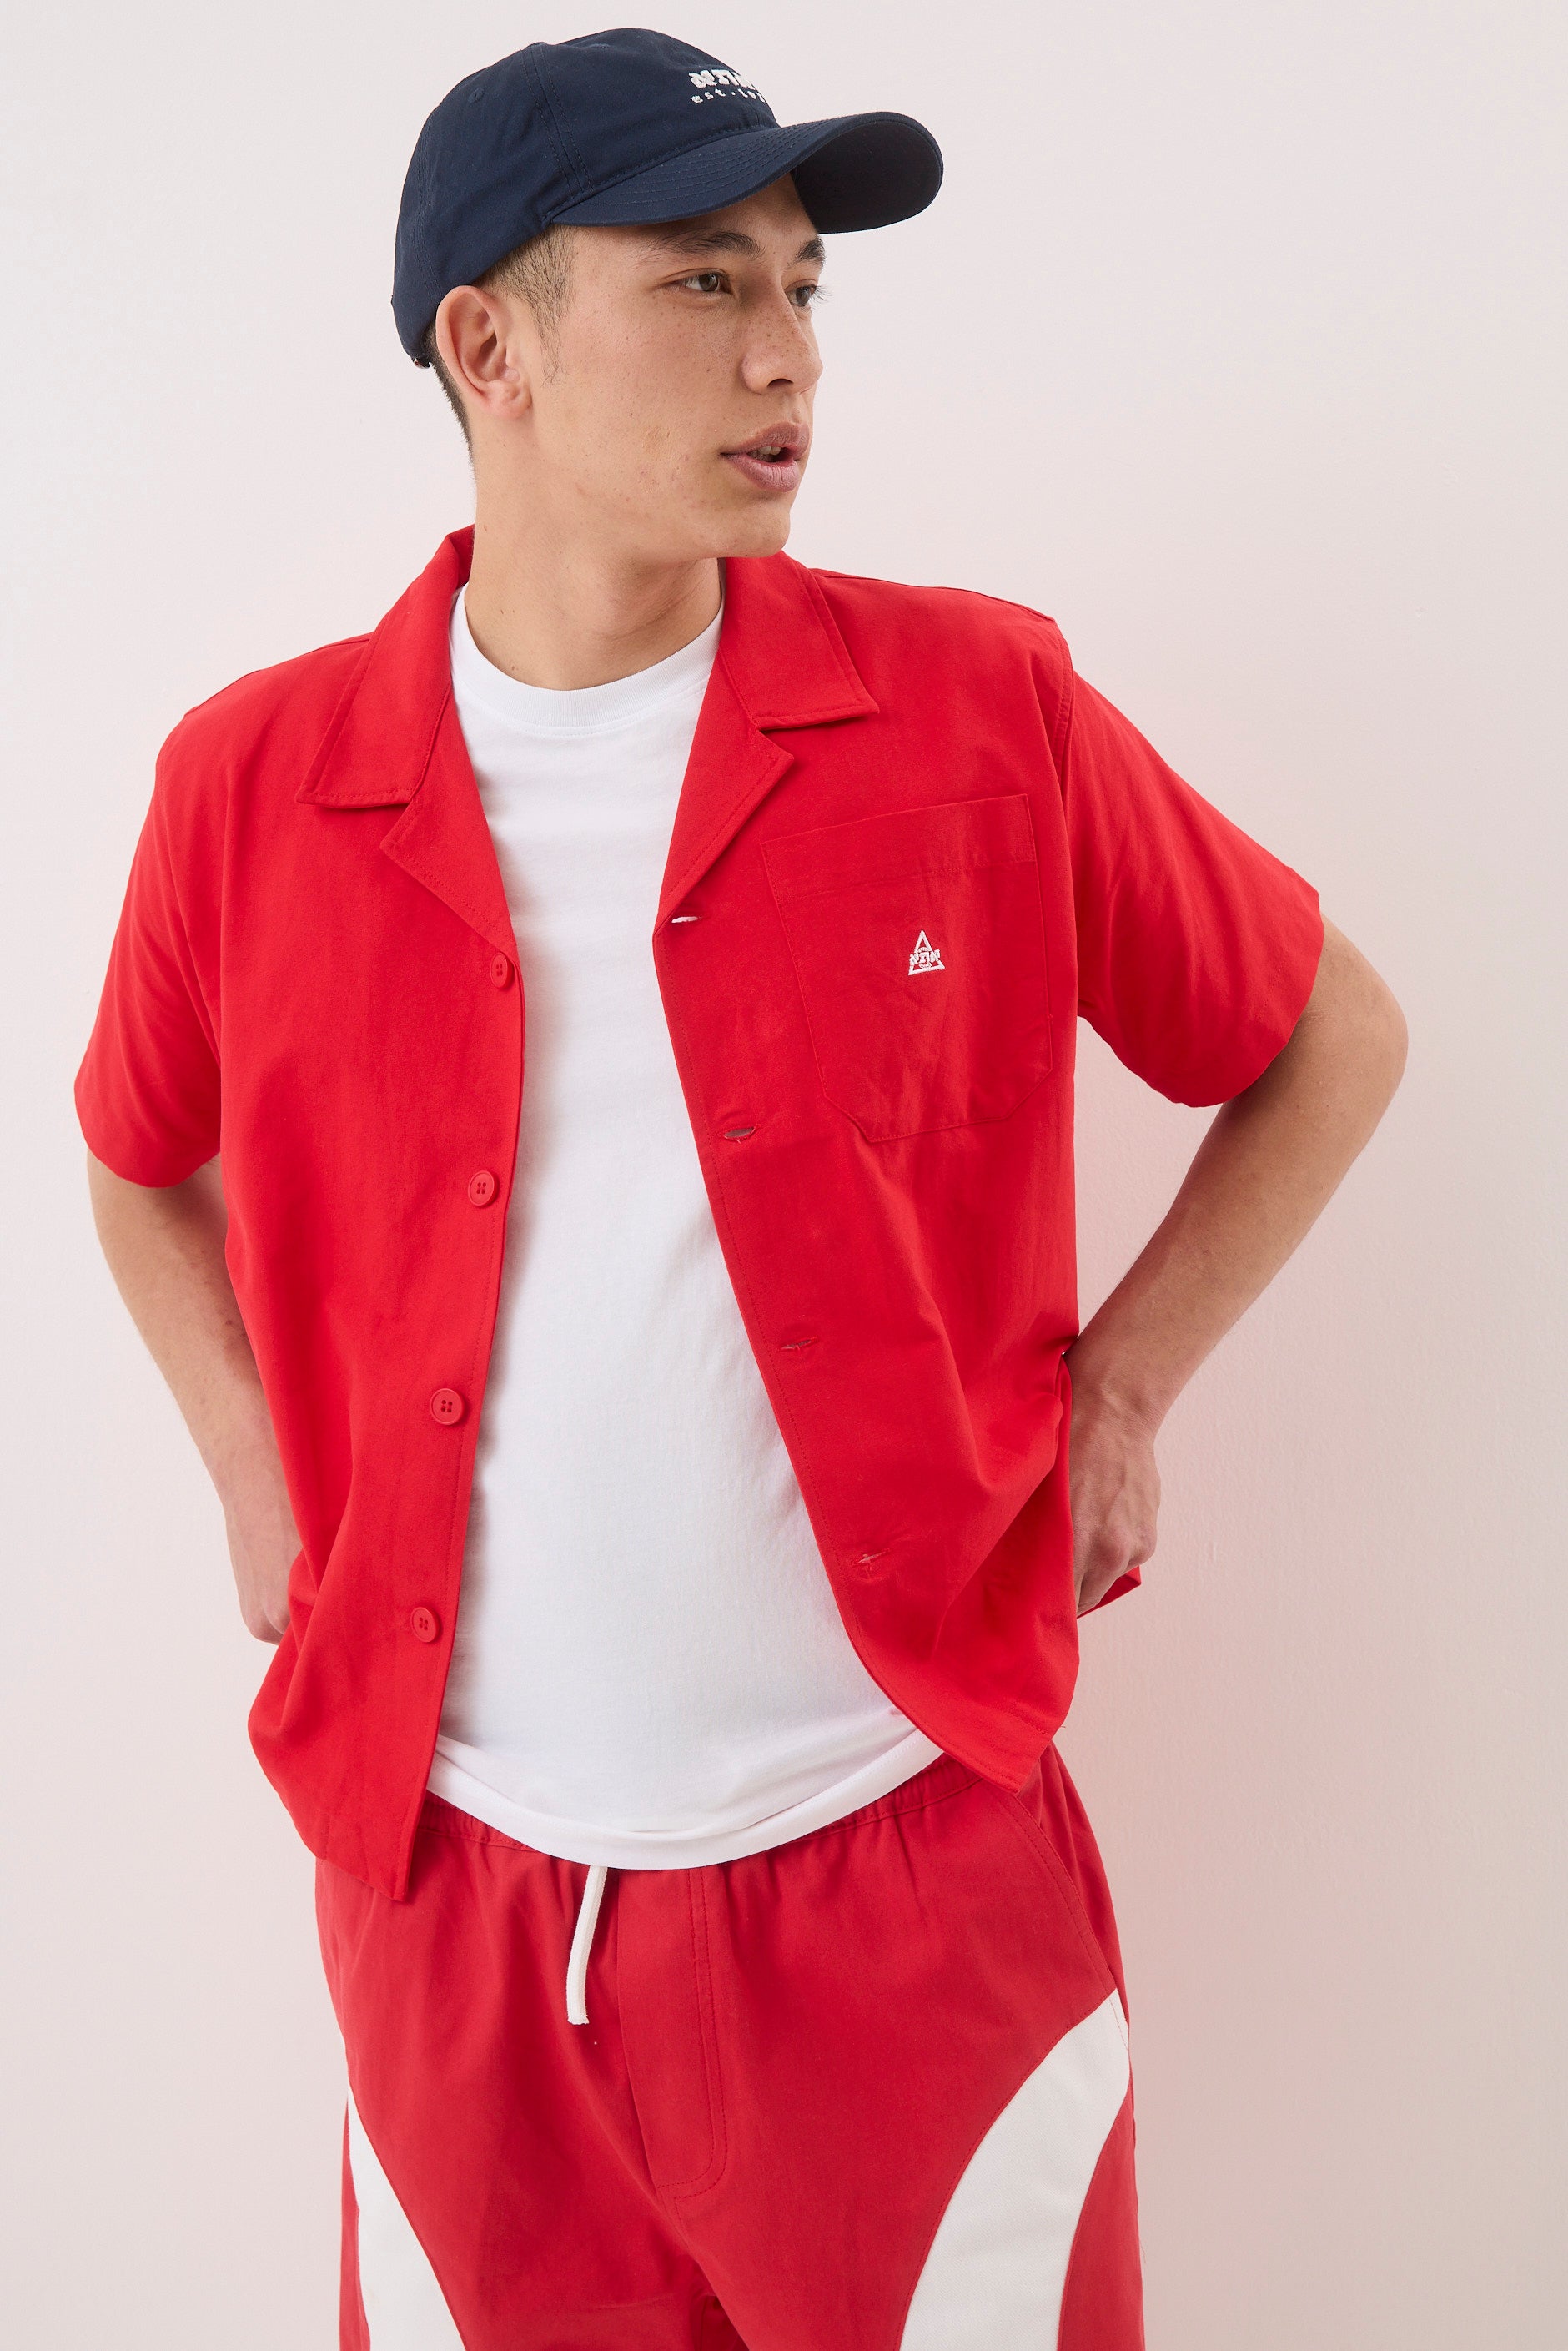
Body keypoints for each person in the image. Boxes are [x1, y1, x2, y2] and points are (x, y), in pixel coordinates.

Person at [78, 28, 1406, 2350]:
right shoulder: (249, 785)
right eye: (704, 282)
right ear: (487, 347)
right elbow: (133, 1155)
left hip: (907, 1877)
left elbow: (1324, 1036)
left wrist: (1122, 1391)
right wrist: (241, 1455)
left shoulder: (981, 712)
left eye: (803, 286)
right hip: (456, 1906)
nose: (788, 352)